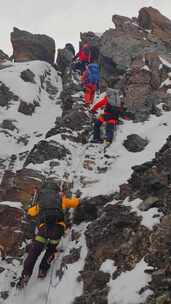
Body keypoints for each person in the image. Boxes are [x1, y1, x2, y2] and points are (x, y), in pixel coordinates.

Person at [17, 181, 80, 289]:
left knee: (34, 251)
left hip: (43, 228)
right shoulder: (60, 199)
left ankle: (25, 275)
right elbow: (75, 203)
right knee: (51, 249)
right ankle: (43, 270)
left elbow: (30, 213)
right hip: (58, 228)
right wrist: (74, 197)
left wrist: (33, 207)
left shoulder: (41, 201)